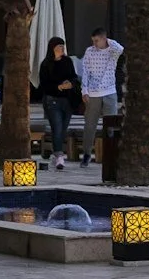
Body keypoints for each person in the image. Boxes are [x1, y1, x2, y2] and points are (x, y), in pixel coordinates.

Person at [77, 28, 125, 176]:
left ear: (104, 39)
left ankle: (110, 155)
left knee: (111, 125)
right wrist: (84, 90)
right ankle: (86, 154)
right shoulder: (90, 52)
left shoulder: (112, 50)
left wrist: (107, 41)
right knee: (90, 124)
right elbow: (85, 71)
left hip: (109, 91)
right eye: (93, 41)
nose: (95, 43)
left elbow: (121, 49)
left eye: (97, 40)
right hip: (93, 92)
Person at [35, 37, 81, 168]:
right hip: (52, 100)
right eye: (58, 47)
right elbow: (44, 85)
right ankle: (59, 155)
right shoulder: (46, 64)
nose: (61, 49)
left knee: (63, 128)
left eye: (62, 47)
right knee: (57, 127)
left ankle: (57, 152)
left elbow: (74, 77)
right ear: (52, 49)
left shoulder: (67, 61)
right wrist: (58, 87)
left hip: (67, 100)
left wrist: (70, 84)